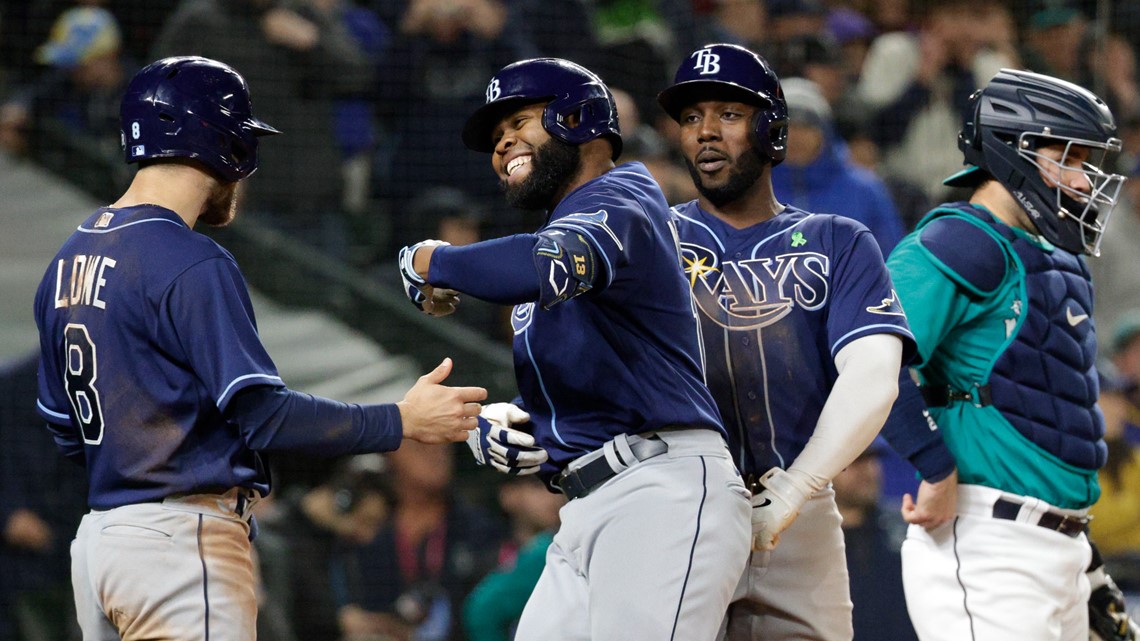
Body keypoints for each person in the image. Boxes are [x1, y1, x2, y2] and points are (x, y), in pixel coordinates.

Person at [31, 56, 487, 641]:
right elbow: (265, 418)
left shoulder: (68, 258)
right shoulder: (189, 259)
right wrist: (401, 420)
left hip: (101, 545)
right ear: (220, 143)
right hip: (178, 544)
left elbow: (64, 428)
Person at [398, 57, 752, 640]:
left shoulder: (624, 194)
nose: (503, 142)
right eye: (495, 137)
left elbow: (543, 264)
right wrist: (528, 427)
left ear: (577, 117)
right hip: (589, 503)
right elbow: (605, 367)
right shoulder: (565, 237)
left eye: (519, 120)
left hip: (662, 490)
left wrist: (430, 259)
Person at [656, 42, 922, 641]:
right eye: (692, 118)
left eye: (727, 114)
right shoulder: (649, 241)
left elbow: (874, 370)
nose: (705, 133)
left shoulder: (839, 239)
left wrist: (798, 487)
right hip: (677, 508)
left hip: (800, 511)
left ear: (773, 131)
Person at [881, 68, 1130, 641]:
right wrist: (934, 464)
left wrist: (1085, 569)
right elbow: (870, 362)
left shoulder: (1056, 260)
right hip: (986, 543)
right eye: (1069, 159)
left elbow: (1050, 412)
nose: (1085, 181)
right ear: (1014, 151)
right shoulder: (958, 241)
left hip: (1059, 549)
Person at [832, 439, 919, 641]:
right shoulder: (808, 545)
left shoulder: (907, 530)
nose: (867, 470)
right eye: (854, 461)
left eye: (872, 459)